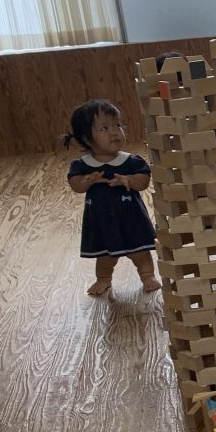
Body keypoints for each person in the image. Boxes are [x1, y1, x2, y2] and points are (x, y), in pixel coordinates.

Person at [64, 99, 160, 297]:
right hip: (102, 220)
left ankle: (148, 275)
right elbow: (75, 185)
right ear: (87, 139)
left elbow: (144, 180)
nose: (115, 132)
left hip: (131, 218)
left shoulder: (130, 161)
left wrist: (130, 180)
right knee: (105, 255)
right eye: (105, 128)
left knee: (140, 252)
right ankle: (104, 279)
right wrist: (86, 181)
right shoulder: (83, 165)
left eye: (117, 125)